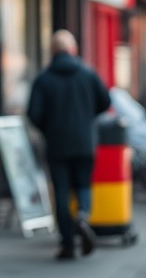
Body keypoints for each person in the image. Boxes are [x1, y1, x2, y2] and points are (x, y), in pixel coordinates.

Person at [27, 30, 111, 261]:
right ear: (73, 50)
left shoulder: (43, 79)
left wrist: (49, 129)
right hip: (85, 141)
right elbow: (106, 101)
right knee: (83, 184)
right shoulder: (87, 73)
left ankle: (67, 243)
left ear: (52, 52)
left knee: (62, 191)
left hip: (57, 144)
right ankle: (83, 216)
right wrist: (86, 117)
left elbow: (33, 114)